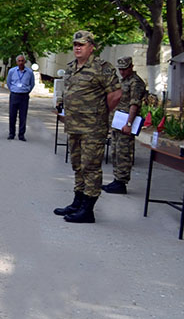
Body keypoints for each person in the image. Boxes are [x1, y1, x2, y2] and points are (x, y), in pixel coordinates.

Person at [53, 31, 122, 223]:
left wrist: (100, 113)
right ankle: (78, 202)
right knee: (77, 165)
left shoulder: (102, 68)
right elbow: (69, 92)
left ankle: (88, 210)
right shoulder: (70, 67)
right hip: (74, 125)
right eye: (75, 44)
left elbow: (116, 93)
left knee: (91, 167)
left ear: (91, 47)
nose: (77, 47)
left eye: (81, 45)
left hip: (93, 127)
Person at [103, 56, 147, 195]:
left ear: (131, 67)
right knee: (115, 152)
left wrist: (129, 124)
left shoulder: (136, 82)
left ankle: (121, 182)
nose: (122, 72)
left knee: (124, 153)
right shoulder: (124, 81)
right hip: (117, 122)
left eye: (124, 69)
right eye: (120, 69)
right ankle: (116, 180)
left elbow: (134, 104)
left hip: (126, 123)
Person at [6, 54, 35, 141]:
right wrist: (13, 89)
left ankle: (21, 134)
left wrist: (26, 90)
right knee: (12, 115)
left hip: (24, 96)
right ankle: (11, 133)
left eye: (22, 61)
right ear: (16, 62)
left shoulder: (29, 72)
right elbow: (8, 82)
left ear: (25, 62)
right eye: (19, 61)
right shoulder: (12, 71)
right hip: (14, 94)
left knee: (23, 116)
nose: (21, 62)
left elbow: (32, 83)